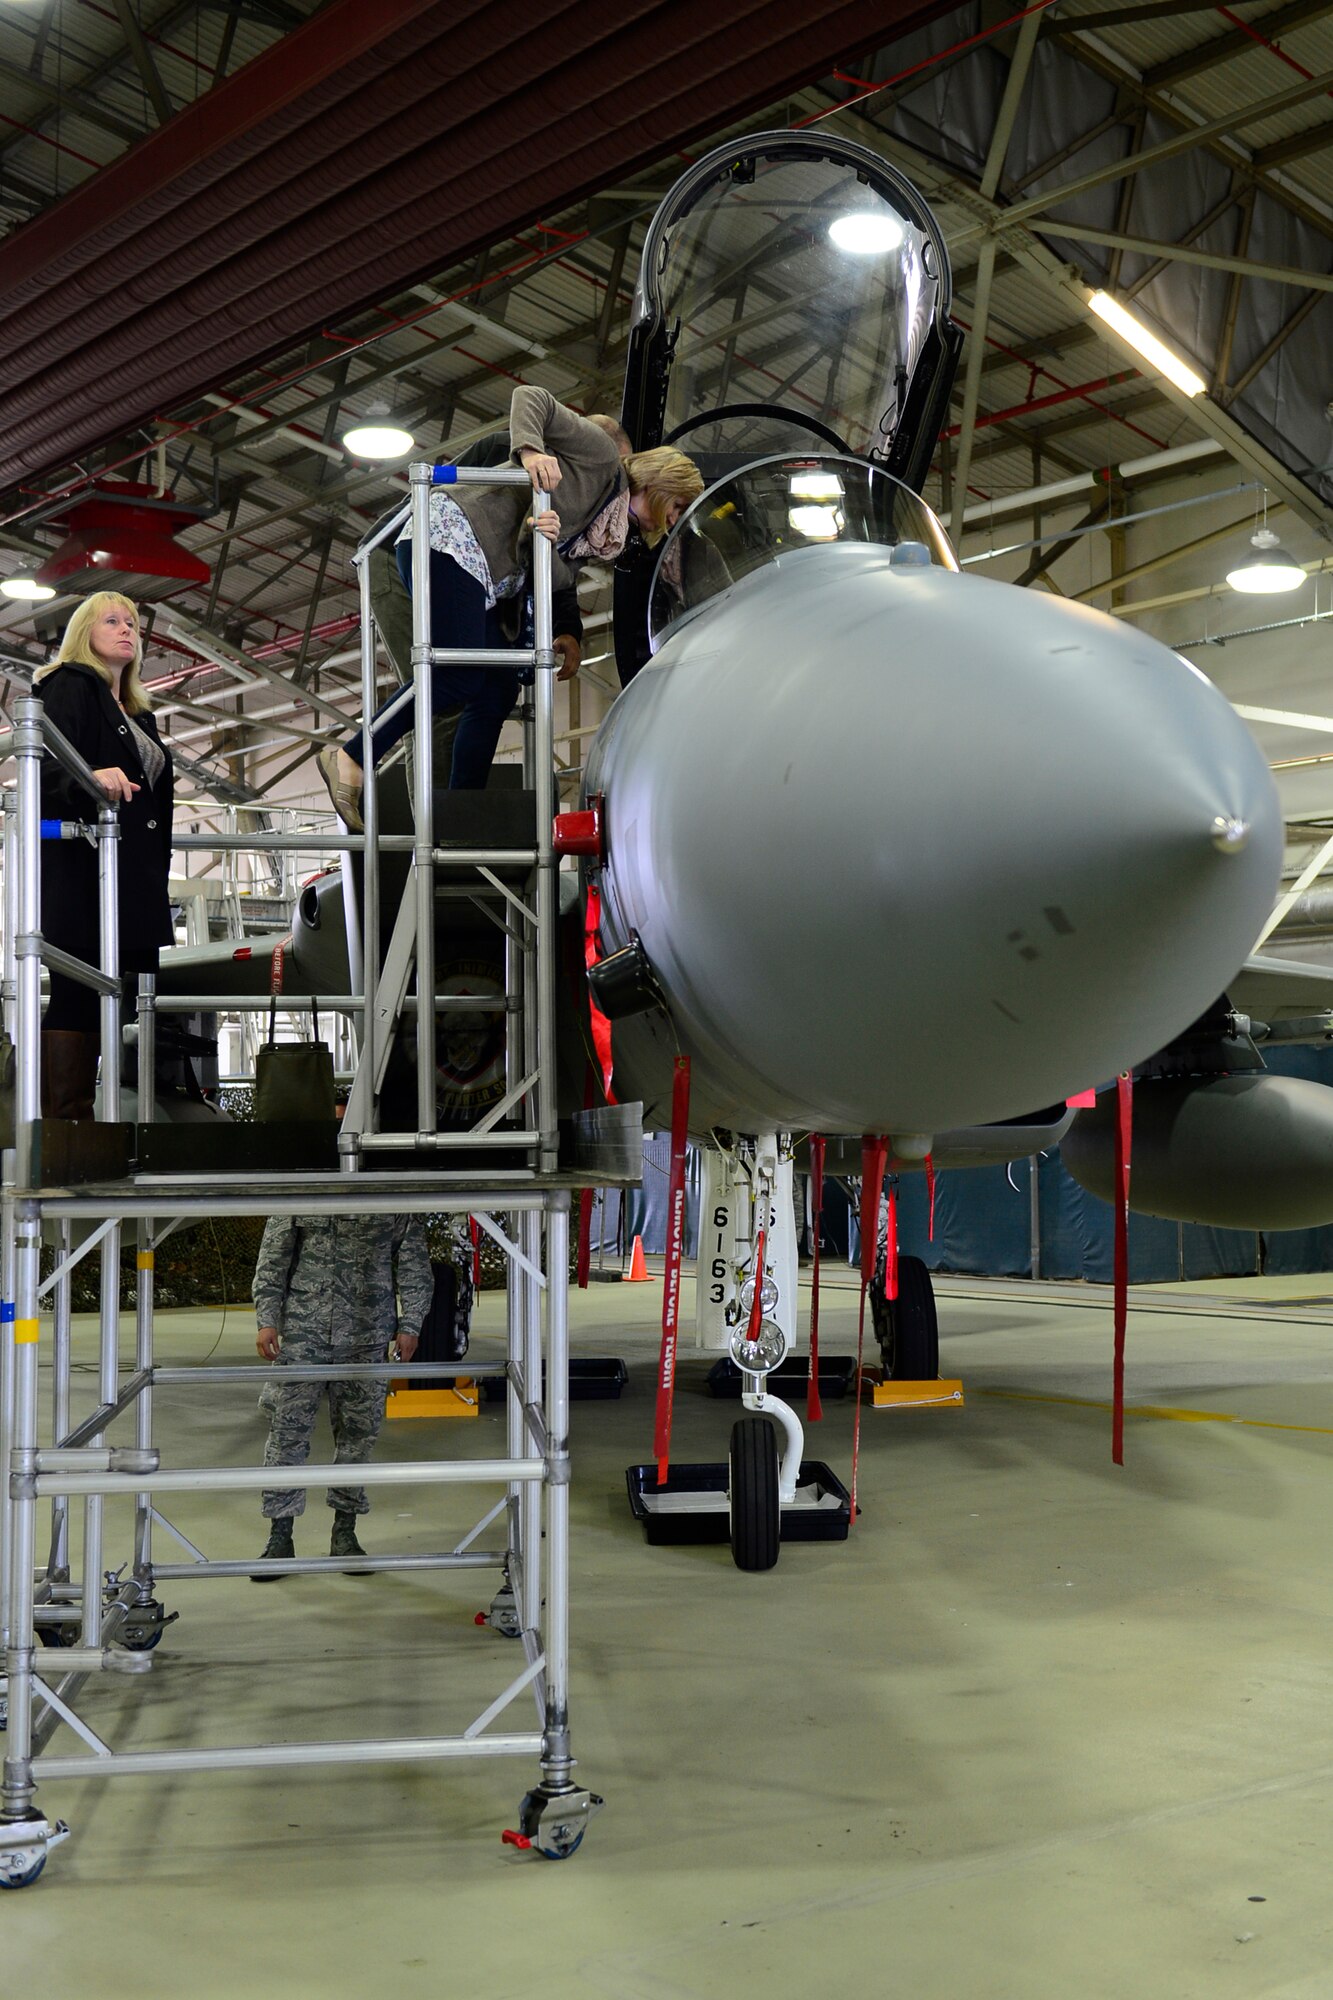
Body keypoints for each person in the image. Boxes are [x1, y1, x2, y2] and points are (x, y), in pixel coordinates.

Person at [318, 388, 701, 822]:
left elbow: (553, 572)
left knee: (497, 686)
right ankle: (353, 757)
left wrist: (554, 573)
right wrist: (532, 452)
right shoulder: (599, 456)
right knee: (457, 676)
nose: (674, 518)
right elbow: (530, 397)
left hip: (489, 574)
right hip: (453, 539)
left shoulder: (605, 523)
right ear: (660, 482)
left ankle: (460, 815)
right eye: (678, 505)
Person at [32, 592, 174, 1121]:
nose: (126, 629)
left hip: (129, 877)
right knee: (78, 990)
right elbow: (44, 764)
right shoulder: (70, 683)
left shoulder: (137, 713)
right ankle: (66, 1123)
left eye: (132, 622)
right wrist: (89, 778)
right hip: (85, 870)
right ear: (83, 633)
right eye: (111, 620)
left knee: (110, 994)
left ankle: (79, 1122)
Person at [251, 1211, 434, 1577]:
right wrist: (266, 1319)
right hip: (303, 1334)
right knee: (287, 1435)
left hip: (366, 1336)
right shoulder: (303, 1192)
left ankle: (345, 1534)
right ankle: (280, 1538)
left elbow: (414, 1260)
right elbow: (273, 1257)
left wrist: (411, 1323)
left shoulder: (387, 1196)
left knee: (358, 1436)